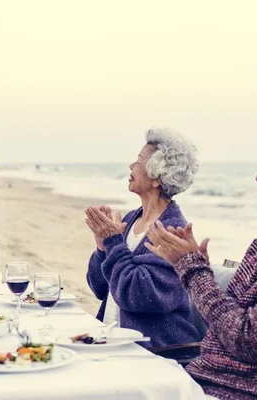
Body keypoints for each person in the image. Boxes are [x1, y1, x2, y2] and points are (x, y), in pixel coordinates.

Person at [146, 140, 257, 400]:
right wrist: (198, 273)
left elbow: (247, 340)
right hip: (202, 377)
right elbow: (225, 317)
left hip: (242, 392)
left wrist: (192, 269)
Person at [85, 128, 201, 347]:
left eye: (139, 161)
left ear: (157, 176)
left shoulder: (172, 232)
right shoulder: (130, 220)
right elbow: (99, 288)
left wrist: (113, 242)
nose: (131, 166)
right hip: (112, 344)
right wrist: (102, 248)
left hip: (157, 353)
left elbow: (137, 296)